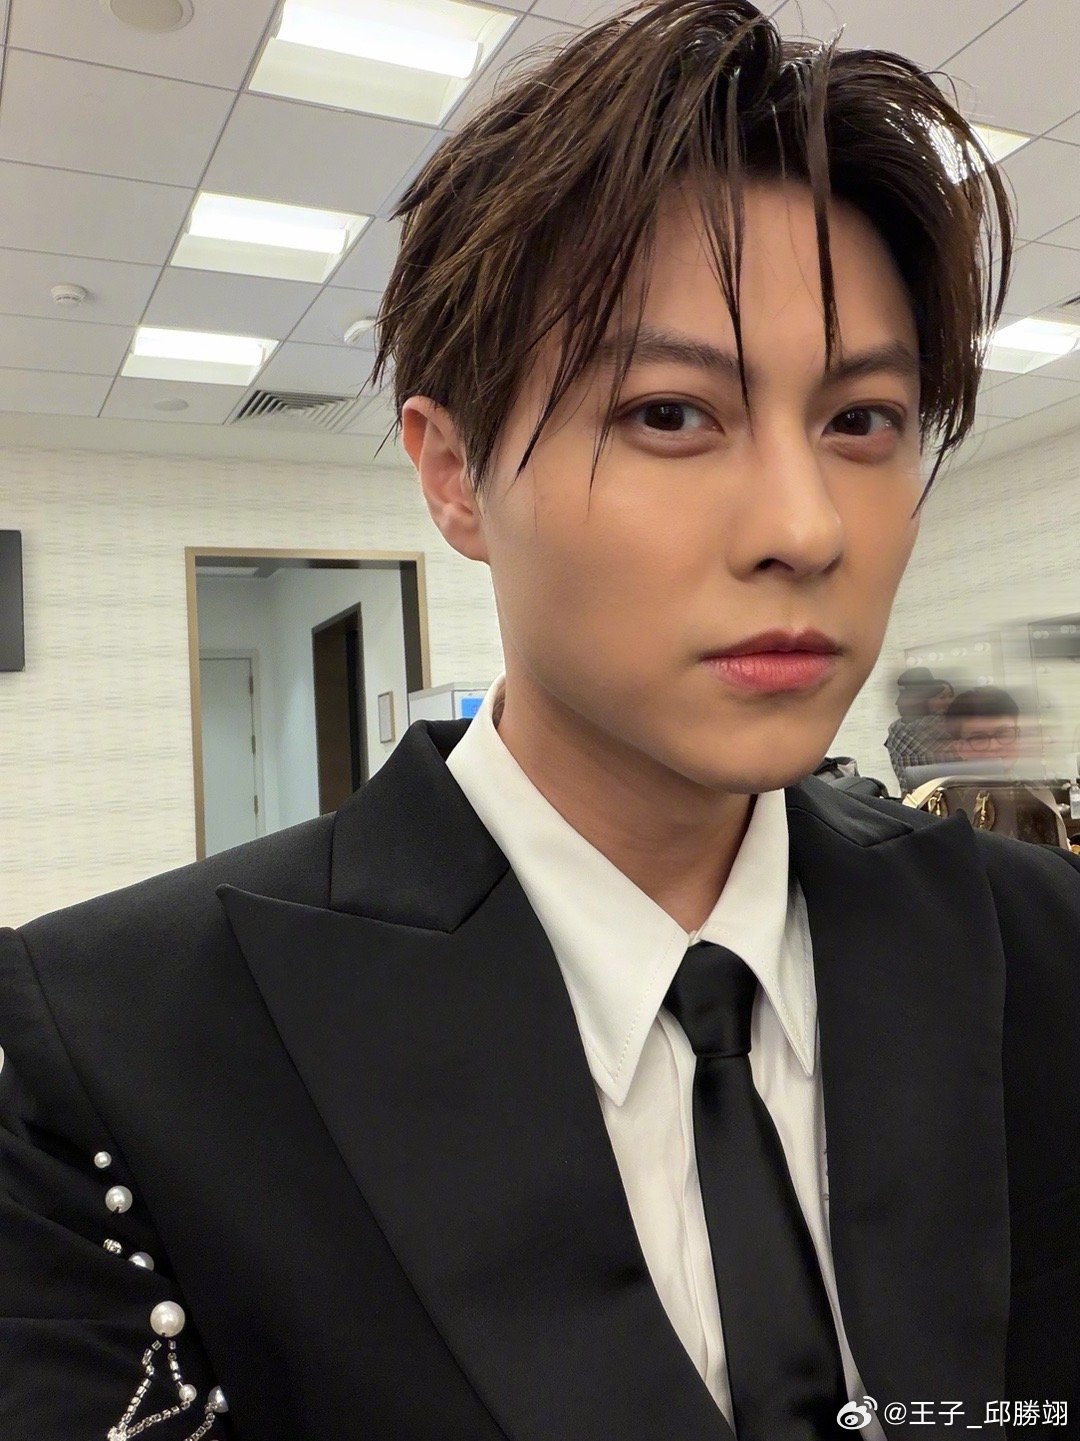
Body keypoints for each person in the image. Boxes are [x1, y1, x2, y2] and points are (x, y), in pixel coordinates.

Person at [2, 3, 1077, 1438]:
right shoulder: (120, 1046)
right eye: (670, 415)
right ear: (453, 474)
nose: (806, 526)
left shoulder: (1037, 943)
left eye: (861, 421)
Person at [905, 686, 1070, 846]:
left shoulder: (1038, 796)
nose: (994, 746)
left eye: (1003, 734)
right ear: (959, 748)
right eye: (979, 738)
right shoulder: (931, 801)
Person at [883, 666, 957, 795]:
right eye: (939, 697)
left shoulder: (894, 729)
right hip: (944, 797)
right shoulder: (941, 724)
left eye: (951, 696)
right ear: (925, 701)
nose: (949, 702)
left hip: (910, 799)